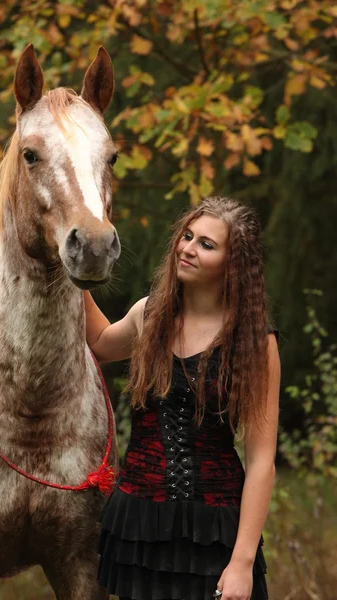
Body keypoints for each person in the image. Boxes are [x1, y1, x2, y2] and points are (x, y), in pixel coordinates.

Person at [84, 196, 280, 600]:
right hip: (139, 524)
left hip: (214, 532)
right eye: (187, 236)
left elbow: (261, 460)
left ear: (233, 263)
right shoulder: (149, 314)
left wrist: (242, 562)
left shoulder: (254, 341)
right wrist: (77, 275)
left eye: (206, 244)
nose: (188, 248)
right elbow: (101, 344)